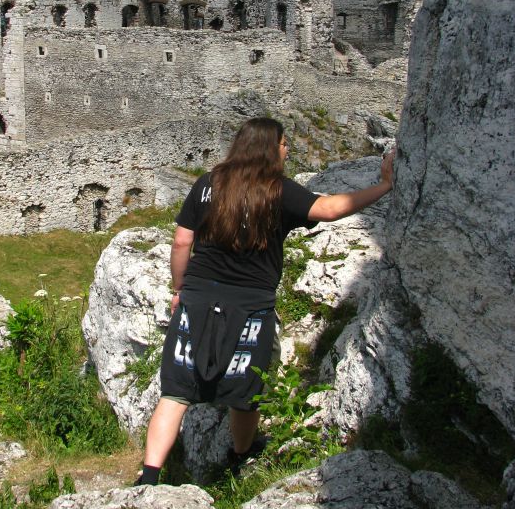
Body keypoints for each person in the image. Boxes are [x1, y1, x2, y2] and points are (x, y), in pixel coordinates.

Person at [136, 116, 395, 486]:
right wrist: (384, 185)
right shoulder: (278, 190)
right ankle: (240, 455)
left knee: (176, 391)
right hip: (250, 304)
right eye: (284, 143)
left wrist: (179, 289)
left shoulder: (209, 184)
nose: (288, 149)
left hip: (198, 296)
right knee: (244, 390)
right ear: (270, 149)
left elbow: (181, 242)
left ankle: (148, 476)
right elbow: (332, 208)